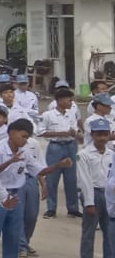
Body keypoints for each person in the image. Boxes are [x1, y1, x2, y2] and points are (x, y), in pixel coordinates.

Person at [0, 120, 42, 258]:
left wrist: (58, 166)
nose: (25, 140)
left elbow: (37, 170)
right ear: (12, 133)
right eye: (23, 136)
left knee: (13, 234)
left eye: (27, 137)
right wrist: (10, 161)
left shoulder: (24, 152)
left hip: (15, 195)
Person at [80, 118, 115, 258]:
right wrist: (89, 202)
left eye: (105, 134)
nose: (102, 138)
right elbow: (85, 179)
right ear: (92, 135)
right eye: (98, 134)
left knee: (109, 231)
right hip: (92, 192)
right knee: (89, 231)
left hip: (108, 195)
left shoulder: (112, 154)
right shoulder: (84, 154)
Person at [39, 86, 81, 218]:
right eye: (69, 100)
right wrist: (61, 133)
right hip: (56, 146)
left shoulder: (71, 114)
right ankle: (51, 208)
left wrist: (76, 134)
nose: (71, 103)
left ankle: (73, 208)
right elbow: (40, 132)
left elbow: (74, 129)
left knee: (71, 178)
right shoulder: (48, 115)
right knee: (52, 177)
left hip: (70, 145)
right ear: (60, 100)